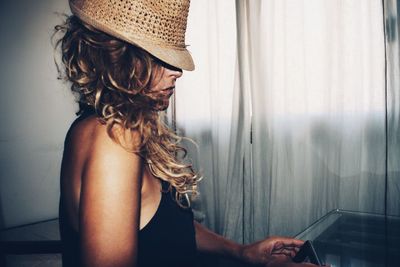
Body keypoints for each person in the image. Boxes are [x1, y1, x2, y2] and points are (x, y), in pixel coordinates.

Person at [55, 0, 321, 266]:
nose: (177, 72)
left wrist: (241, 251)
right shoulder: (113, 139)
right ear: (117, 57)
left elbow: (164, 228)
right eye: (159, 58)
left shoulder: (106, 128)